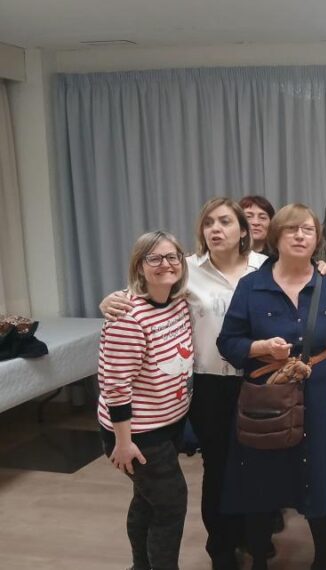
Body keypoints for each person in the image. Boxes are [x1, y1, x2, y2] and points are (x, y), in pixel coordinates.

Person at [101, 198, 268, 569]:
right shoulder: (185, 269)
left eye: (225, 221)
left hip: (257, 382)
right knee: (217, 470)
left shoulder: (265, 267)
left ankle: (252, 538)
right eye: (208, 222)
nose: (215, 229)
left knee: (255, 468)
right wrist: (110, 301)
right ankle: (221, 549)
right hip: (209, 386)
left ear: (244, 230)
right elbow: (141, 292)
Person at [217, 203, 326, 570]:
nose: (300, 236)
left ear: (317, 239)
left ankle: (322, 555)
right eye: (291, 229)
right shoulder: (251, 286)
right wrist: (260, 348)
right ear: (276, 237)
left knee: (319, 474)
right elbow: (228, 342)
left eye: (308, 230)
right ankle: (260, 558)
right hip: (268, 397)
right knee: (262, 479)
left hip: (323, 396)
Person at [97, 230, 192, 570]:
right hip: (137, 434)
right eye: (155, 258)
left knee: (148, 501)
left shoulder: (179, 302)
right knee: (170, 505)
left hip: (168, 424)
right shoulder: (127, 317)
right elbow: (115, 386)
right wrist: (123, 443)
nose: (166, 264)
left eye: (172, 257)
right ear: (139, 266)